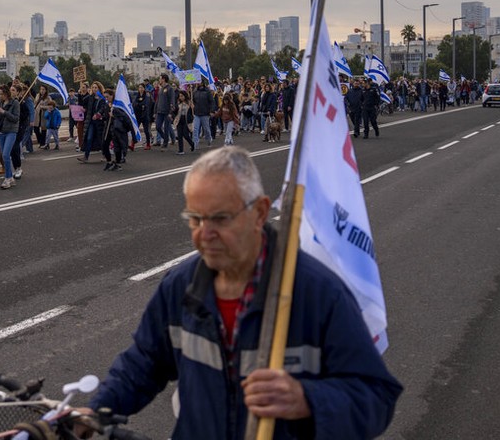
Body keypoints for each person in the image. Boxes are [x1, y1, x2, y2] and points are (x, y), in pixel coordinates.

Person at [87, 146, 402, 439]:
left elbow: (376, 398)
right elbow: (144, 363)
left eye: (220, 219)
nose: (204, 234)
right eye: (194, 219)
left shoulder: (318, 294)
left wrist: (307, 401)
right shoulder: (180, 286)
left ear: (261, 212)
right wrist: (92, 413)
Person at [0, 84, 20, 190]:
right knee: (4, 156)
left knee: (5, 154)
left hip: (11, 131)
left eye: (1, 94)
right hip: (1, 131)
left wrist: (4, 112)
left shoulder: (15, 103)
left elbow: (15, 118)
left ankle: (8, 178)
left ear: (6, 93)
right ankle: (10, 178)